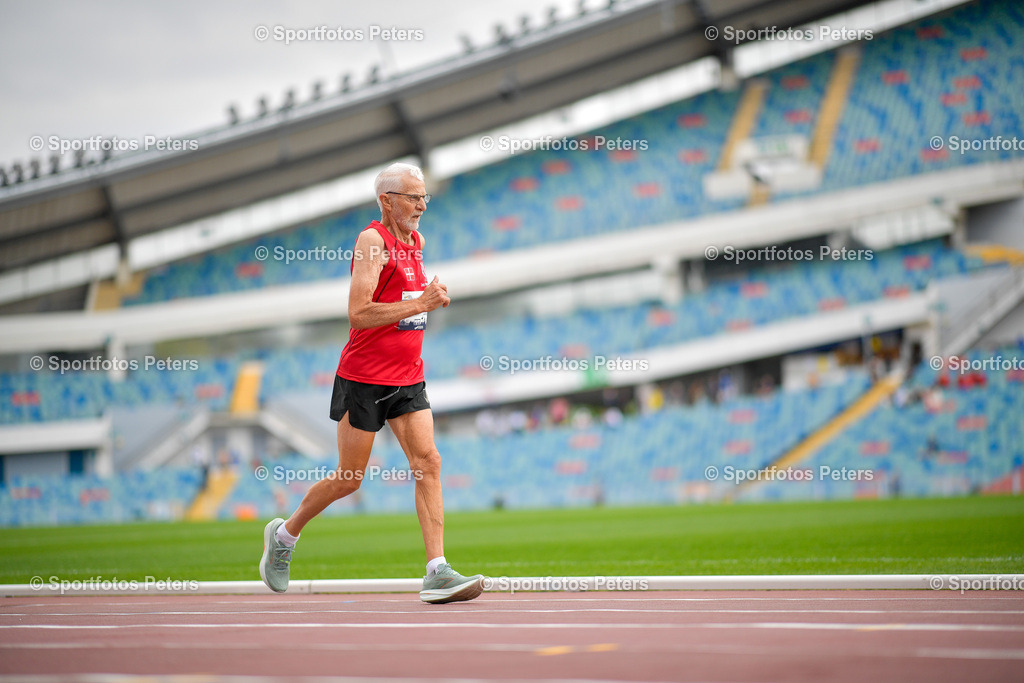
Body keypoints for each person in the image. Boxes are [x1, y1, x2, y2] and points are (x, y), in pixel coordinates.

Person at [259, 162, 484, 604]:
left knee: (429, 462)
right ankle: (284, 536)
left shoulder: (416, 242)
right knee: (348, 478)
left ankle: (437, 570)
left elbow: (405, 307)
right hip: (363, 380)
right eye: (413, 197)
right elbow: (359, 313)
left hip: (408, 379)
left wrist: (423, 301)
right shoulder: (371, 241)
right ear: (386, 201)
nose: (422, 205)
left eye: (425, 197)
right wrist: (421, 301)